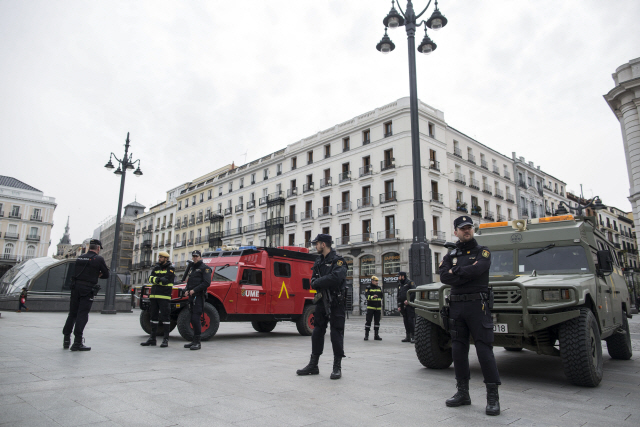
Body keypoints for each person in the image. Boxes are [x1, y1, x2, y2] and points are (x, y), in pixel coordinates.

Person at [439, 216, 501, 416]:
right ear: (455, 231)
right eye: (462, 228)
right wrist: (464, 272)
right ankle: (463, 393)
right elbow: (444, 276)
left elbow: (480, 269)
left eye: (469, 228)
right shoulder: (450, 254)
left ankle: (492, 397)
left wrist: (456, 272)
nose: (466, 231)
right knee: (458, 350)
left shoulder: (482, 251)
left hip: (477, 306)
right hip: (456, 306)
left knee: (484, 350)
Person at [296, 234, 348, 379]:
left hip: (336, 302)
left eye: (317, 243)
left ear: (323, 244)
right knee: (317, 332)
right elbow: (312, 279)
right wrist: (317, 281)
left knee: (336, 333)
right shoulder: (318, 261)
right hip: (320, 301)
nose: (315, 246)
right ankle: (313, 365)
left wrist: (318, 282)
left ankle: (337, 367)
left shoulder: (338, 261)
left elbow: (336, 278)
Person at [62, 239, 109, 351]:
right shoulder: (98, 259)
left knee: (72, 313)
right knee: (82, 314)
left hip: (75, 288)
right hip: (87, 289)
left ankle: (66, 339)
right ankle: (77, 342)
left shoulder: (80, 257)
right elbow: (106, 274)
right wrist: (97, 275)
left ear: (89, 247)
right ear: (98, 248)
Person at [141, 251, 175, 348]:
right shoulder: (156, 267)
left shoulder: (170, 268)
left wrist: (156, 280)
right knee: (153, 318)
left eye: (161, 257)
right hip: (154, 296)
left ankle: (165, 339)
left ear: (166, 258)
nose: (159, 258)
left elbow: (166, 281)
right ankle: (152, 338)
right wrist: (158, 280)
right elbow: (150, 278)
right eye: (159, 256)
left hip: (164, 296)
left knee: (165, 318)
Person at [183, 250, 211, 350]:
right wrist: (186, 290)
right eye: (193, 256)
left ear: (200, 257)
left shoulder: (205, 268)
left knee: (196, 319)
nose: (195, 258)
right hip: (191, 296)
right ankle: (193, 341)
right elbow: (189, 282)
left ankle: (197, 342)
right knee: (191, 319)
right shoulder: (192, 269)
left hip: (198, 296)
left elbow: (206, 283)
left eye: (196, 256)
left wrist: (194, 290)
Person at [397, 271, 416, 343]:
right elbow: (399, 296)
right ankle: (408, 336)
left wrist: (409, 300)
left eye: (399, 276)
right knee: (405, 321)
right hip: (403, 305)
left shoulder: (410, 282)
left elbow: (414, 292)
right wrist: (399, 305)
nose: (398, 278)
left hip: (409, 305)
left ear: (403, 276)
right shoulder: (400, 284)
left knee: (410, 320)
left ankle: (413, 336)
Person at [364, 276, 383, 341]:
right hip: (371, 307)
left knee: (377, 322)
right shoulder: (368, 288)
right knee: (368, 321)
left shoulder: (379, 288)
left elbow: (381, 296)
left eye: (377, 281)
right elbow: (366, 296)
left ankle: (376, 335)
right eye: (376, 281)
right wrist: (372, 297)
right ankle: (366, 335)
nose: (377, 282)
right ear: (372, 281)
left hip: (378, 308)